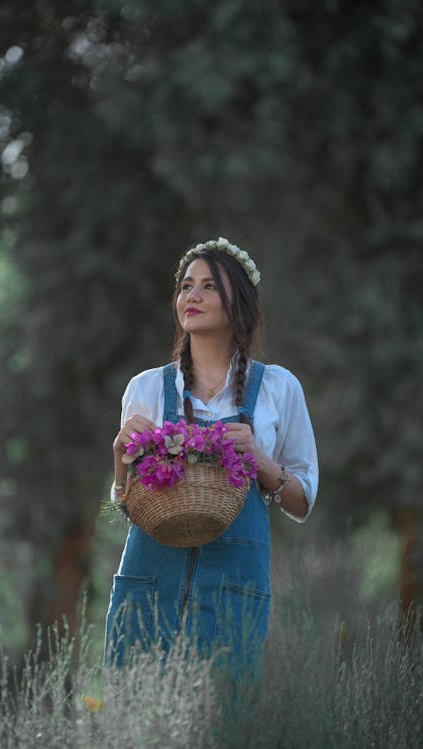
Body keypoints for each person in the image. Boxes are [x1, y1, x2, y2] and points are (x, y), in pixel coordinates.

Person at [104, 237, 318, 674]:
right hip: (149, 583)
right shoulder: (145, 388)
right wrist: (119, 460)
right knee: (139, 720)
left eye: (209, 287)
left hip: (232, 589)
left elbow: (302, 502)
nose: (192, 296)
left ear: (238, 300)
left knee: (225, 717)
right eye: (186, 286)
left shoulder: (278, 388)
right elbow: (127, 505)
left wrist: (259, 460)